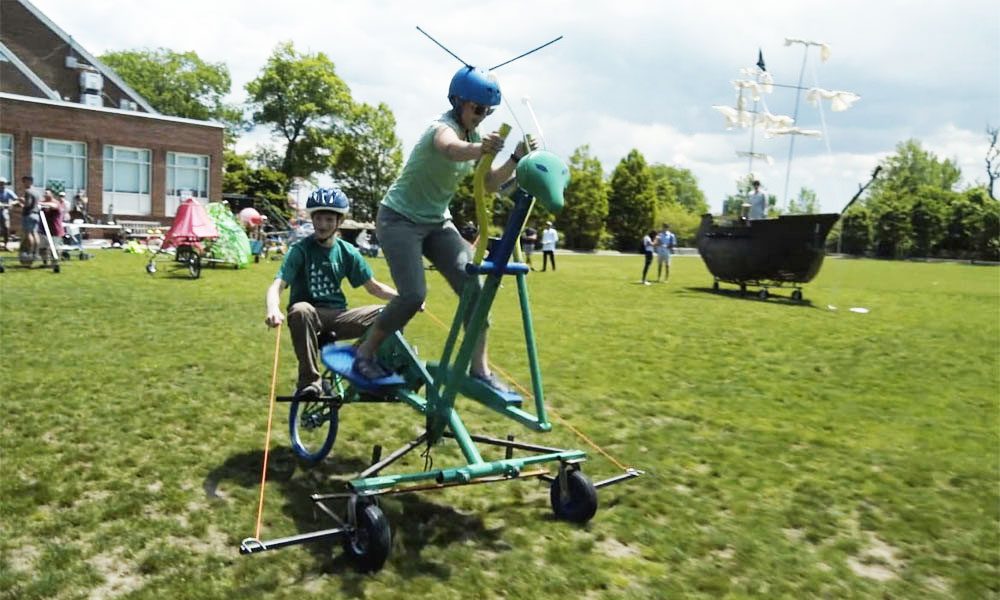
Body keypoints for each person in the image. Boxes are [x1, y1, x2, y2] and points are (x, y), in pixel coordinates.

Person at [352, 64, 536, 392]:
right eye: (477, 109)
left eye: (488, 111)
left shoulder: (476, 136)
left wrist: (515, 158)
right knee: (412, 295)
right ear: (458, 101)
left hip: (437, 222)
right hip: (399, 219)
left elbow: (490, 183)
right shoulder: (441, 128)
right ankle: (365, 352)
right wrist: (482, 149)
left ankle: (480, 370)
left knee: (474, 293)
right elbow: (451, 150)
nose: (482, 116)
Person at [264, 187, 401, 400]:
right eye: (318, 218)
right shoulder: (300, 250)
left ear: (338, 222)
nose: (322, 225)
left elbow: (374, 287)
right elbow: (277, 285)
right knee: (300, 309)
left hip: (338, 316)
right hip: (309, 316)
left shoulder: (348, 251)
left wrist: (404, 300)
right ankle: (309, 382)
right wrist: (273, 309)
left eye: (329, 219)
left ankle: (360, 365)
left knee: (391, 313)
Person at [18, 175, 41, 264]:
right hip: (36, 215)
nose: (23, 184)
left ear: (29, 181)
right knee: (35, 233)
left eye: (24, 182)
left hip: (28, 215)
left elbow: (28, 204)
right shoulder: (37, 192)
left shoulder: (28, 191)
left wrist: (21, 203)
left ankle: (29, 253)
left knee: (28, 234)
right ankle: (36, 252)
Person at [38, 190, 66, 264]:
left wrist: (41, 203)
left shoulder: (56, 202)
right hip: (43, 230)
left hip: (55, 230)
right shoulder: (42, 202)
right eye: (44, 193)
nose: (45, 194)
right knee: (42, 248)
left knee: (55, 248)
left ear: (51, 194)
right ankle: (45, 262)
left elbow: (54, 206)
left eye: (47, 193)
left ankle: (55, 264)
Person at [0, 177, 17, 251]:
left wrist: (11, 203)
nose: (1, 185)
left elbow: (17, 200)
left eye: (3, 184)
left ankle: (6, 244)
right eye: (0, 183)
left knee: (6, 227)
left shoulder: (8, 192)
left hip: (4, 211)